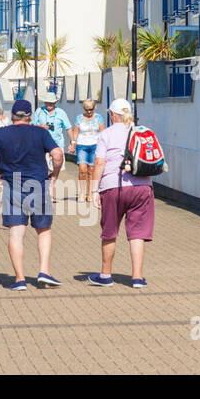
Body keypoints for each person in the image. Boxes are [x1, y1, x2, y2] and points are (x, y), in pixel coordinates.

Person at [0, 98, 64, 290]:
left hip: (12, 186)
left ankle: (20, 279)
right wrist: (54, 177)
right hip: (38, 185)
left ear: (12, 116)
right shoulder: (41, 133)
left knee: (16, 233)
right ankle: (44, 272)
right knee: (44, 230)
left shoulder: (0, 133)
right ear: (30, 116)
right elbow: (57, 154)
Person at [88, 99, 155, 289]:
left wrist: (94, 190)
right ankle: (137, 278)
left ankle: (106, 275)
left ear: (113, 115)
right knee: (137, 234)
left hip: (114, 187)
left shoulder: (106, 134)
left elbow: (99, 163)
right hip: (142, 187)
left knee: (109, 232)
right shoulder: (142, 132)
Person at [72, 98, 107, 204]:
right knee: (82, 170)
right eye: (86, 109)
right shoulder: (79, 118)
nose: (89, 112)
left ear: (94, 107)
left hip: (95, 146)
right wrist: (73, 144)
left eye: (91, 109)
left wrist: (104, 147)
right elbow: (75, 132)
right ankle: (82, 192)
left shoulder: (99, 118)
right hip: (82, 146)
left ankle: (90, 193)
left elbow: (103, 133)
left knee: (91, 170)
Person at [34, 90, 73, 157]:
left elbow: (68, 128)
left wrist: (73, 143)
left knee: (57, 165)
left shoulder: (61, 112)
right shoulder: (39, 111)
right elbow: (31, 126)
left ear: (55, 102)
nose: (49, 104)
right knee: (43, 167)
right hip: (41, 145)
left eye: (51, 102)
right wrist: (40, 126)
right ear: (44, 102)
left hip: (57, 145)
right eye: (47, 102)